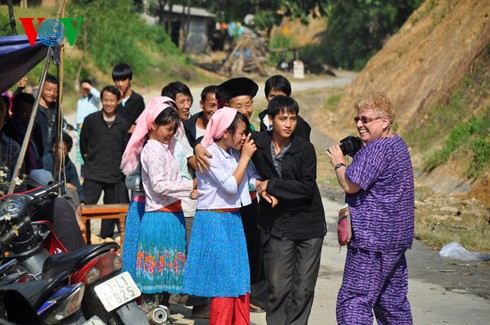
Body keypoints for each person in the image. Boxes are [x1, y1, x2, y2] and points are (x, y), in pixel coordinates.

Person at [325, 92, 414, 324]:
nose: (359, 124)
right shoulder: (397, 143)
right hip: (395, 240)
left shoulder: (378, 148)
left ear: (384, 122)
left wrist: (338, 162)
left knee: (354, 301)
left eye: (366, 119)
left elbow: (350, 183)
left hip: (371, 243)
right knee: (391, 303)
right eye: (357, 119)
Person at [183, 107, 263, 325]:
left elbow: (249, 178)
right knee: (223, 281)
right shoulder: (209, 153)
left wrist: (263, 185)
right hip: (214, 220)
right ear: (225, 132)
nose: (245, 138)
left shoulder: (233, 153)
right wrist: (246, 157)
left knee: (238, 277)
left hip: (232, 219)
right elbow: (230, 185)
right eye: (241, 133)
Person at [251, 95, 326, 324]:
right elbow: (224, 135)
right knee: (278, 286)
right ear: (270, 119)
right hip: (276, 225)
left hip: (308, 226)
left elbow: (306, 187)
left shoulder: (305, 149)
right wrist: (196, 148)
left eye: (293, 118)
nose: (288, 124)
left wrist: (271, 184)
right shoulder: (258, 143)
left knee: (303, 287)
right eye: (283, 118)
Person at [134, 98, 195, 305]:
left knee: (168, 270)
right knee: (157, 271)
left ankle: (162, 310)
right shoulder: (152, 150)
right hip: (159, 215)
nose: (170, 134)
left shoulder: (165, 149)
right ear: (153, 125)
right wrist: (189, 187)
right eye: (168, 129)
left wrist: (188, 189)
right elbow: (159, 185)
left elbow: (173, 180)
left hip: (172, 215)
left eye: (173, 129)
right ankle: (153, 310)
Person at [215, 77, 267, 312]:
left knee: (253, 247)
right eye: (239, 106)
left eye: (249, 104)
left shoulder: (253, 131)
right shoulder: (220, 133)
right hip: (227, 203)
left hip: (251, 198)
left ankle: (250, 295)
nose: (246, 110)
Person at [162, 82, 211, 318]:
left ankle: (200, 303)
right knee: (172, 253)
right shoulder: (162, 134)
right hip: (169, 203)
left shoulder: (185, 130)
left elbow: (191, 157)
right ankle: (165, 302)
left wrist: (201, 164)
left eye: (188, 99)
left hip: (189, 204)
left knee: (193, 251)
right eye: (181, 101)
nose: (187, 105)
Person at [119, 96, 174, 284]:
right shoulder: (140, 147)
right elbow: (129, 181)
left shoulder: (170, 145)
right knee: (136, 254)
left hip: (161, 208)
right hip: (141, 206)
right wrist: (150, 182)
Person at [80, 85, 130, 239]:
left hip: (114, 174)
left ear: (118, 101)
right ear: (101, 100)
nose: (108, 103)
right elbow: (83, 144)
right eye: (105, 100)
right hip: (93, 172)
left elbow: (126, 148)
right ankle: (82, 238)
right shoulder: (91, 120)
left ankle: (106, 238)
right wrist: (89, 160)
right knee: (83, 206)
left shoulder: (123, 123)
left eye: (112, 100)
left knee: (111, 210)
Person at [27, 169, 85, 252]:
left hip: (62, 258)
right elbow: (82, 227)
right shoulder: (63, 202)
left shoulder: (39, 209)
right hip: (79, 252)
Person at [43, 132, 86, 217]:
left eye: (62, 149)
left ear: (68, 150)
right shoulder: (46, 161)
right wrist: (65, 186)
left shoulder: (70, 165)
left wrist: (82, 202)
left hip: (66, 200)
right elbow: (46, 187)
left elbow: (77, 186)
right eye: (56, 148)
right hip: (49, 200)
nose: (58, 152)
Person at [258, 75, 311, 141]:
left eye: (280, 96)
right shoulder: (264, 118)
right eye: (272, 96)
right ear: (266, 97)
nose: (276, 100)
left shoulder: (300, 125)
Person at [3, 93, 44, 173]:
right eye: (23, 112)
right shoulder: (8, 129)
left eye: (30, 112)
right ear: (13, 111)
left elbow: (40, 149)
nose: (27, 116)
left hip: (37, 171)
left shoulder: (35, 127)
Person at [112, 63, 145, 134]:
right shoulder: (111, 99)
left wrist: (119, 103)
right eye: (117, 80)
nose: (120, 84)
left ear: (130, 80)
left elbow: (128, 124)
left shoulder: (137, 100)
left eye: (123, 80)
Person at [35, 74, 60, 156]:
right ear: (41, 88)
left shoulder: (57, 109)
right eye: (49, 90)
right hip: (36, 154)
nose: (52, 93)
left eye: (56, 91)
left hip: (51, 155)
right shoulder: (33, 108)